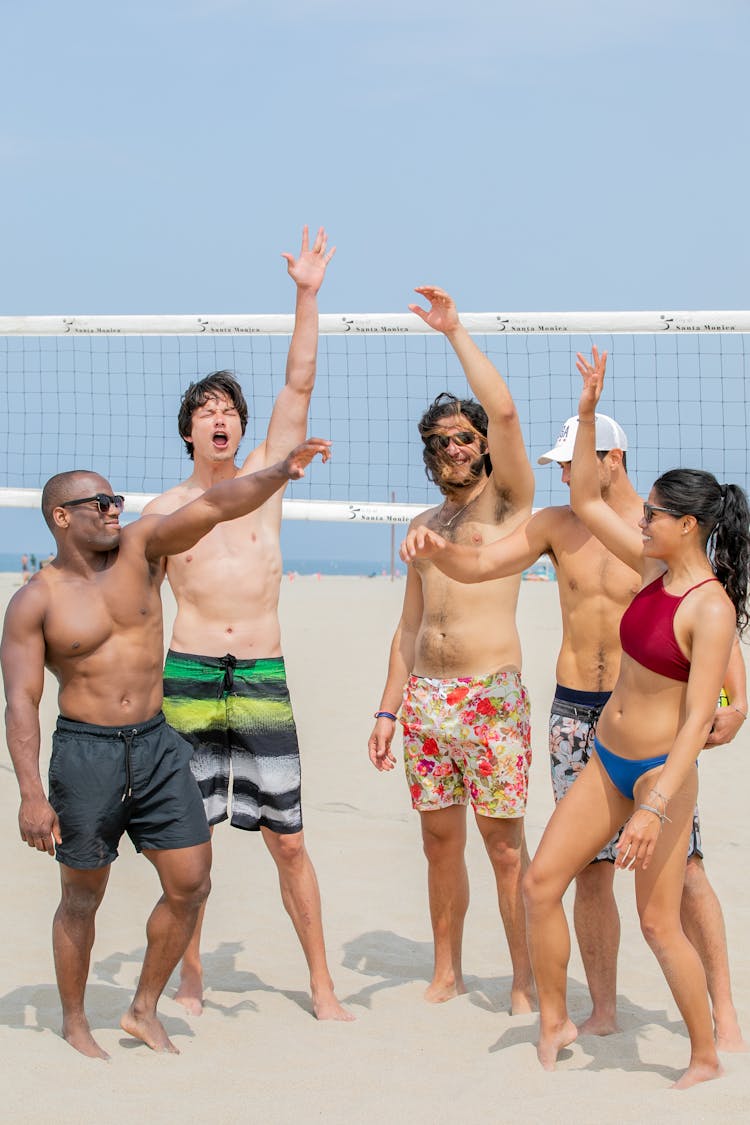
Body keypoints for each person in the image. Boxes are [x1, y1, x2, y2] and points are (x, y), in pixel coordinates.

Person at [400, 408, 748, 1049]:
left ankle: (724, 1012)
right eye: (559, 463)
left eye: (572, 461)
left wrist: (740, 698)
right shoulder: (566, 523)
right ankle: (604, 1009)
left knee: (685, 874)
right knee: (586, 872)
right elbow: (483, 565)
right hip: (575, 715)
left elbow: (710, 618)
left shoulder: (655, 536)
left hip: (654, 727)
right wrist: (442, 549)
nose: (563, 473)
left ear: (611, 458)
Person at [0, 441, 329, 1060]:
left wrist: (278, 472)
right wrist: (31, 796)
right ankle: (75, 1022)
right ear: (61, 516)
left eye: (116, 499)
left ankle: (143, 1007)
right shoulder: (34, 601)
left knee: (191, 881)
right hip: (86, 753)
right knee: (81, 897)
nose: (114, 510)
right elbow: (20, 702)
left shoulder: (142, 547)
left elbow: (213, 506)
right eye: (99, 503)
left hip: (156, 746)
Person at [524, 347, 750, 1086]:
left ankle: (707, 1052)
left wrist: (654, 807)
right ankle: (556, 1017)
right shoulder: (654, 566)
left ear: (687, 524)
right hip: (603, 756)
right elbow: (588, 499)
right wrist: (587, 413)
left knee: (660, 921)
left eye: (652, 512)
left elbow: (695, 723)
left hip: (658, 773)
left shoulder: (710, 607)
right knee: (540, 883)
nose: (640, 519)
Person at [144, 226, 352, 1022]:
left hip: (262, 674)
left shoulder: (269, 480)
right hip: (189, 676)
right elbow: (131, 603)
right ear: (189, 431)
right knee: (184, 845)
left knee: (289, 840)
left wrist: (306, 294)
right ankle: (189, 974)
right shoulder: (163, 512)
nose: (221, 417)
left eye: (228, 408)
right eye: (206, 410)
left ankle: (322, 985)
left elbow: (297, 387)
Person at [368, 286, 536, 1011]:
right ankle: (447, 969)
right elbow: (408, 628)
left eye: (463, 437)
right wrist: (387, 710)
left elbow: (503, 410)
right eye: (440, 441)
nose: (454, 448)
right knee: (439, 845)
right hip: (428, 705)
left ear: (484, 447)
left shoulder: (507, 503)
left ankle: (529, 978)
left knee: (504, 847)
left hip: (489, 695)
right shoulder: (421, 521)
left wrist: (455, 330)